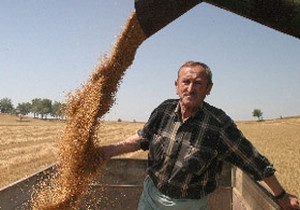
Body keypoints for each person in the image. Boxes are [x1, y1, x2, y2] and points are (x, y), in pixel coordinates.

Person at [96, 61, 300, 210]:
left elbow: (252, 160)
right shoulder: (164, 110)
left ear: (208, 89)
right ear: (176, 85)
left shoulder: (218, 125)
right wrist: (109, 150)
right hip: (151, 197)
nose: (190, 88)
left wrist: (281, 195)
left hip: (189, 205)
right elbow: (143, 138)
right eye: (186, 82)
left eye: (198, 83)